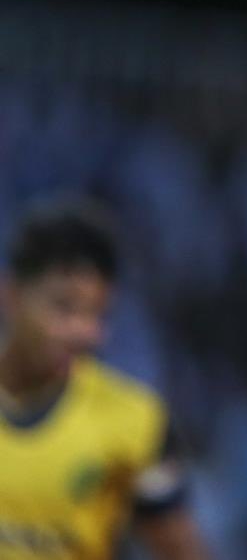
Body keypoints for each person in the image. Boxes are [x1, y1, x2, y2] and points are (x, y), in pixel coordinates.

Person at [0, 197, 212, 560]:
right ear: (12, 296)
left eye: (97, 314)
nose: (84, 332)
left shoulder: (135, 421)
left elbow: (181, 549)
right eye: (64, 307)